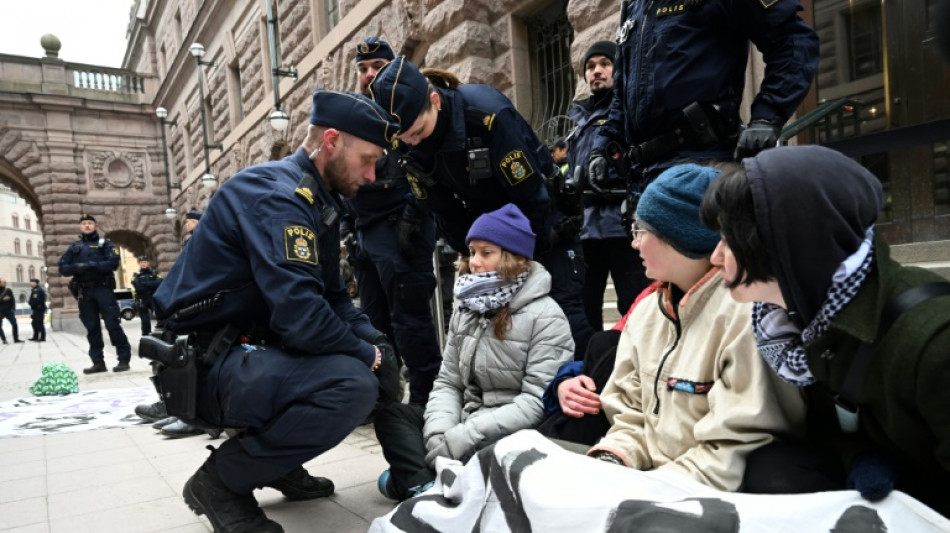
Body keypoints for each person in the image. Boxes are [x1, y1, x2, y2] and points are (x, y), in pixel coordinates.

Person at [151, 89, 403, 533]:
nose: (370, 174)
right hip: (204, 361)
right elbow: (302, 317)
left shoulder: (318, 200)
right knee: (351, 385)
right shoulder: (280, 198)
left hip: (243, 348)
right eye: (366, 159)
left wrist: (376, 342)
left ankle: (273, 462)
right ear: (331, 141)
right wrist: (367, 358)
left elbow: (334, 299)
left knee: (369, 364)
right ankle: (222, 482)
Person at [699, 145, 950, 517]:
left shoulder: (934, 340)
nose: (715, 257)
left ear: (784, 243)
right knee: (775, 469)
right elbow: (829, 430)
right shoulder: (795, 321)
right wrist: (862, 455)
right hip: (892, 482)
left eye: (728, 240)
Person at [582, 164, 805, 493]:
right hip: (659, 487)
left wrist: (652, 491)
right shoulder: (645, 314)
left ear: (679, 238)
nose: (634, 243)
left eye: (640, 229)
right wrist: (614, 460)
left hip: (719, 498)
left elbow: (736, 446)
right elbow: (629, 414)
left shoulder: (747, 316)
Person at [370, 56, 595, 360]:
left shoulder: (487, 115)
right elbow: (444, 212)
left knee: (565, 322)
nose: (413, 142)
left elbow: (532, 196)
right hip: (491, 241)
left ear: (435, 101)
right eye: (404, 137)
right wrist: (479, 256)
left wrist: (521, 259)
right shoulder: (408, 143)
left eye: (418, 131)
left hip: (544, 230)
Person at [374, 203, 574, 501]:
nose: (474, 262)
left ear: (515, 258)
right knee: (392, 415)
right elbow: (448, 382)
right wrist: (438, 433)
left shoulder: (546, 316)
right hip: (463, 420)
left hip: (509, 429)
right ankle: (432, 486)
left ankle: (416, 479)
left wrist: (462, 437)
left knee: (488, 451)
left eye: (486, 252)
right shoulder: (467, 307)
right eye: (471, 252)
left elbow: (535, 403)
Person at [588, 0, 819, 227]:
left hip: (700, 166)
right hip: (643, 177)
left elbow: (792, 40)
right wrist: (603, 145)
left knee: (709, 263)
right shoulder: (633, 5)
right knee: (657, 264)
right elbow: (622, 94)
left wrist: (767, 116)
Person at [342, 37, 443, 405]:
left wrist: (413, 219)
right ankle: (384, 399)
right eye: (363, 69)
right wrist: (347, 232)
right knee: (373, 326)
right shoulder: (355, 116)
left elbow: (427, 171)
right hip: (366, 235)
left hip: (402, 230)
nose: (369, 75)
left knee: (411, 324)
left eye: (378, 67)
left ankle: (425, 401)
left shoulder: (405, 111)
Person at [567, 40, 648, 332]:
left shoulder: (627, 110)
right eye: (590, 66)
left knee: (636, 304)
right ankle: (593, 369)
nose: (596, 71)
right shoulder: (578, 120)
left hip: (622, 224)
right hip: (587, 230)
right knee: (584, 308)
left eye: (604, 64)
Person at [59, 214, 132, 374]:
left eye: (89, 223)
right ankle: (98, 362)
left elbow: (112, 263)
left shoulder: (105, 244)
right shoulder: (74, 247)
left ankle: (123, 359)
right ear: (80, 227)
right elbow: (63, 268)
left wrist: (90, 265)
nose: (86, 226)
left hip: (103, 289)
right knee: (92, 328)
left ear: (96, 226)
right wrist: (78, 267)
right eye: (84, 223)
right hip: (84, 292)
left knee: (113, 325)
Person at [131, 255, 162, 336]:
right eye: (141, 263)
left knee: (160, 316)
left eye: (145, 262)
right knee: (145, 321)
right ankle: (146, 335)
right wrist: (151, 285)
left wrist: (145, 284)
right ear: (139, 264)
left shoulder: (155, 273)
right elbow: (138, 287)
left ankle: (161, 333)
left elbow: (159, 283)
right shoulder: (136, 275)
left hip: (153, 298)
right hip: (142, 299)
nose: (143, 264)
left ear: (148, 263)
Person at [0, 279, 21, 344]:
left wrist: (13, 309)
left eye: (5, 282)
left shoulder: (8, 290)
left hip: (9, 311)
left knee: (14, 324)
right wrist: (3, 300)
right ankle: (4, 339)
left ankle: (16, 339)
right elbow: (3, 300)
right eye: (3, 282)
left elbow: (12, 300)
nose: (5, 283)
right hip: (0, 311)